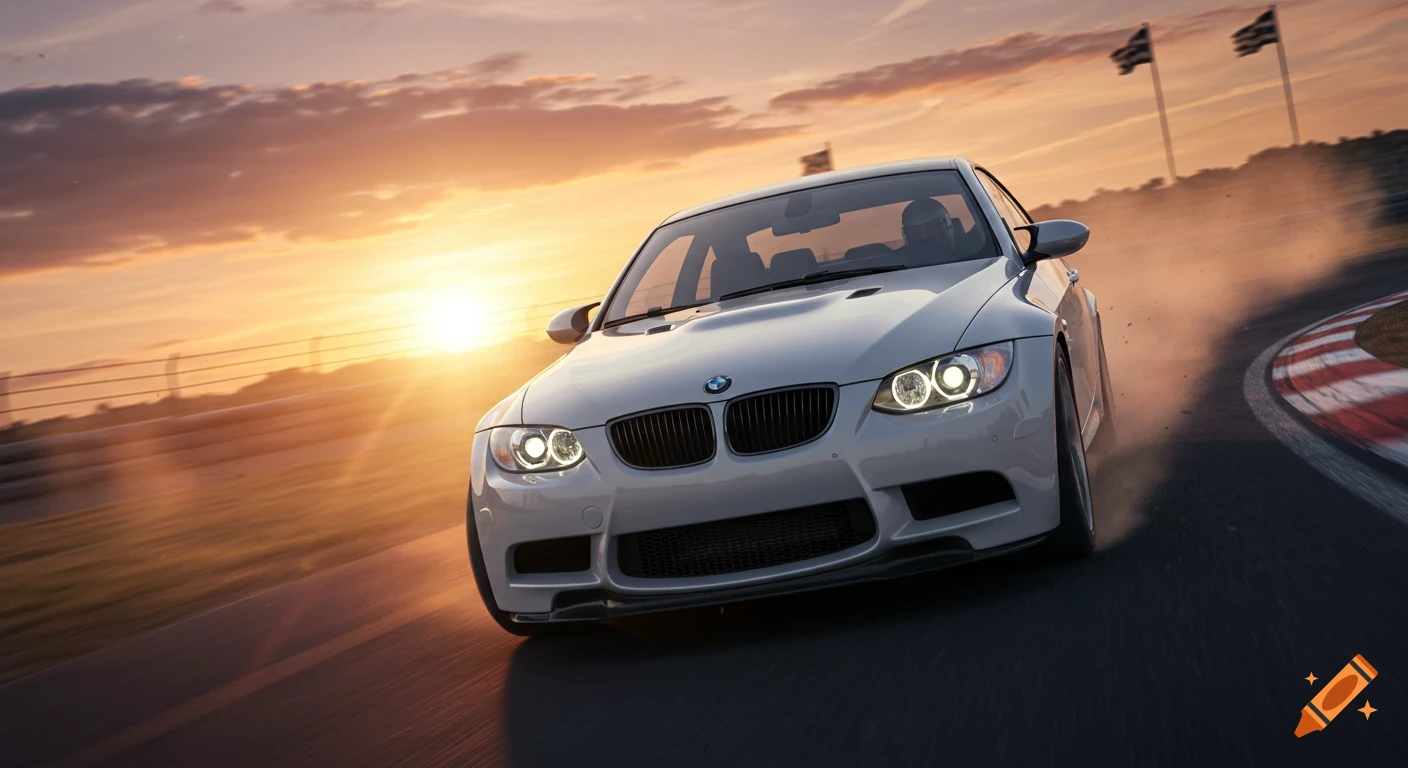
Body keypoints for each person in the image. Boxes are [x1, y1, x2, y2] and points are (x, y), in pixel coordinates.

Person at [895, 197, 958, 264]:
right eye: (915, 232)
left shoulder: (893, 264)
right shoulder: (962, 267)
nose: (923, 238)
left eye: (931, 230)